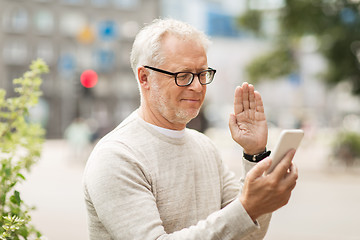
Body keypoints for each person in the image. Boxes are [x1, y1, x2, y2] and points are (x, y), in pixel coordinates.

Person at [83, 18, 298, 240]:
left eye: (202, 74)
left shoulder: (205, 147)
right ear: (145, 77)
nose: (197, 86)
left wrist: (255, 154)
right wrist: (247, 209)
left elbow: (246, 234)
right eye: (183, 75)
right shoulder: (117, 156)